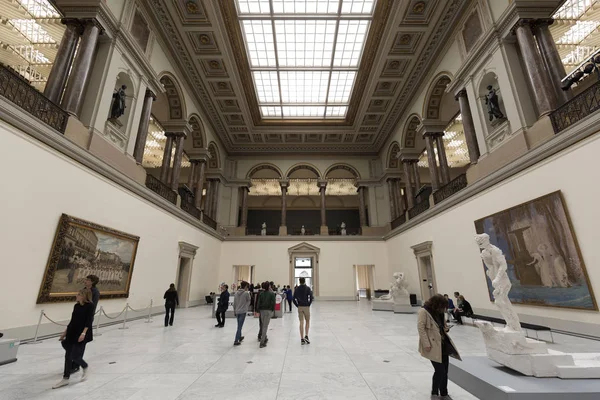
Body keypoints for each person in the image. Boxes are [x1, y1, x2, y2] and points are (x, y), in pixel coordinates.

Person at [417, 294, 461, 400]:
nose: (443, 309)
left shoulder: (439, 311)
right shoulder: (424, 311)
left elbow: (443, 325)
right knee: (439, 370)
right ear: (436, 304)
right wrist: (426, 344)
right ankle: (434, 392)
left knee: (445, 370)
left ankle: (444, 393)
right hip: (432, 345)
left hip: (442, 344)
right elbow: (421, 328)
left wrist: (446, 328)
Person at [53, 288, 95, 389]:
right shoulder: (76, 306)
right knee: (68, 356)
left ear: (84, 296)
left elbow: (88, 321)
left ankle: (84, 366)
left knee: (75, 356)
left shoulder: (90, 306)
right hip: (72, 332)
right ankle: (65, 378)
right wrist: (64, 333)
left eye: (79, 294)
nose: (77, 296)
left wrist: (83, 333)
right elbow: (72, 321)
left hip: (82, 333)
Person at [293, 277, 313, 345]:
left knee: (301, 322)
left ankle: (302, 339)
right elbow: (311, 297)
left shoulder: (297, 289)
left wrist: (297, 305)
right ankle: (306, 335)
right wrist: (309, 304)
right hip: (306, 306)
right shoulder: (307, 288)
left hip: (300, 306)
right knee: (307, 321)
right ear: (304, 281)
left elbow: (293, 299)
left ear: (299, 281)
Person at [256, 282, 275, 348]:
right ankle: (262, 342)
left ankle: (264, 337)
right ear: (269, 286)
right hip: (268, 311)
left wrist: (258, 310)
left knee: (263, 325)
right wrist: (272, 310)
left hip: (262, 311)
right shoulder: (272, 294)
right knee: (265, 326)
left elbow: (258, 302)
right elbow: (273, 303)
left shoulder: (261, 294)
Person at [233, 281, 251, 346]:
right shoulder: (246, 293)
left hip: (237, 311)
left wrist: (234, 310)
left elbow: (234, 303)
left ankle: (239, 337)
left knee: (239, 325)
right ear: (245, 286)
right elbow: (249, 301)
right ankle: (236, 340)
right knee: (239, 327)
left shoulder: (236, 293)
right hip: (243, 311)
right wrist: (246, 307)